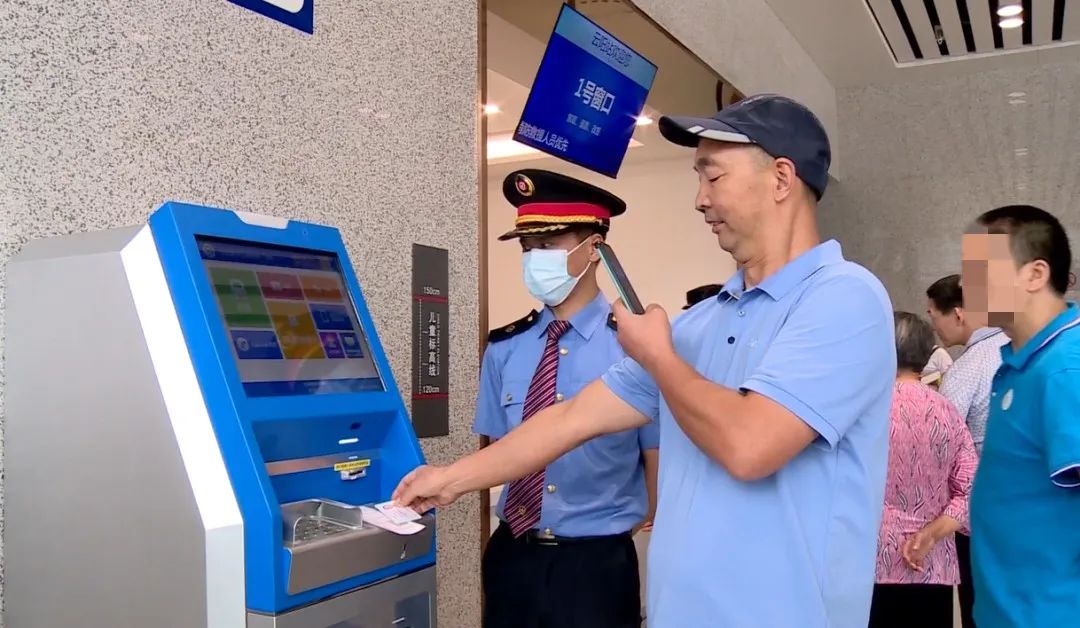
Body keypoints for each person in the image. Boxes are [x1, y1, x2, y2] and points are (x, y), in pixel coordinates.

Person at [396, 94, 896, 627]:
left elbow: (751, 445)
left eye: (714, 176)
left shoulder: (845, 298)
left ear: (780, 179)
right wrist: (450, 479)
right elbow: (571, 418)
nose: (700, 200)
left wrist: (659, 357)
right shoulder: (699, 324)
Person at [476, 168, 659, 628]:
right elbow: (496, 453)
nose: (534, 259)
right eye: (527, 248)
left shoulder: (635, 346)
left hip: (594, 567)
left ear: (594, 248)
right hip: (512, 556)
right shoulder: (504, 348)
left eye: (549, 245)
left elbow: (657, 462)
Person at [962, 205, 1080, 627]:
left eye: (979, 269)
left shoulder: (1066, 368)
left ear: (1035, 274)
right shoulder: (1019, 364)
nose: (965, 283)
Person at [870, 312, 977, 628]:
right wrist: (931, 534)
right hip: (933, 565)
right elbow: (971, 491)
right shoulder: (946, 411)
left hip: (869, 562)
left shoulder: (866, 410)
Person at [924, 273, 1010, 627]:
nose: (934, 327)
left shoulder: (966, 370)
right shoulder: (1022, 352)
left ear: (958, 313)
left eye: (934, 315)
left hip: (980, 518)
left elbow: (938, 447)